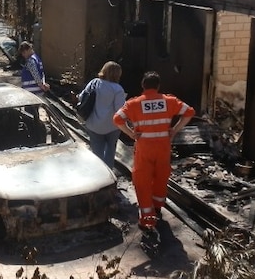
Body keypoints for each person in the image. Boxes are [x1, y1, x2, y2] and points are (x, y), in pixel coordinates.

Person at [113, 71, 195, 233]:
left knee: (142, 180)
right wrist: (175, 130)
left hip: (144, 148)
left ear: (143, 86)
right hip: (163, 147)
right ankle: (157, 207)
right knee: (161, 176)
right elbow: (189, 112)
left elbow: (117, 119)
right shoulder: (169, 101)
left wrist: (130, 133)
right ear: (158, 86)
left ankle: (147, 219)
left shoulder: (134, 104)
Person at [78, 61, 126, 168]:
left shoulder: (94, 82)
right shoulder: (117, 89)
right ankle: (109, 173)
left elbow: (81, 97)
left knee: (97, 150)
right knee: (110, 150)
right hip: (112, 126)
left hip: (93, 124)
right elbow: (120, 110)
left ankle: (98, 172)